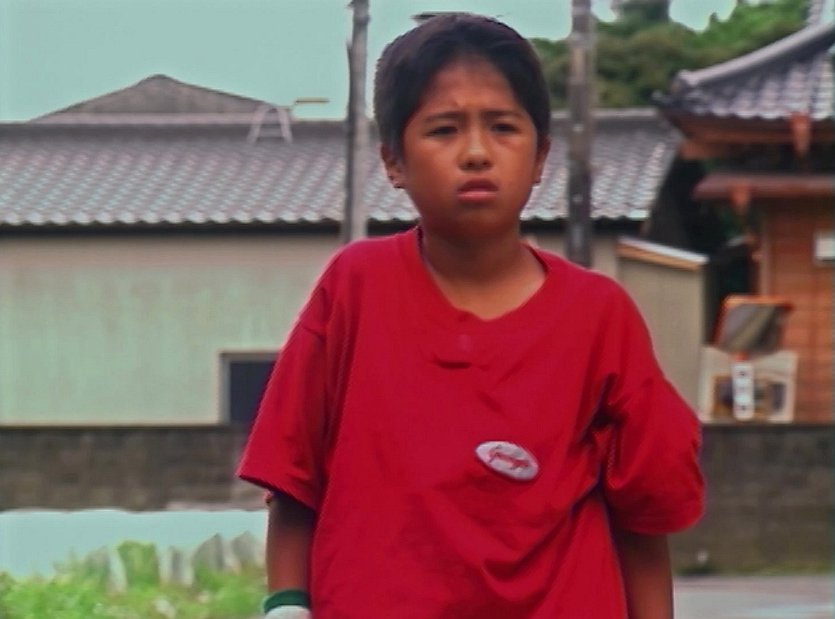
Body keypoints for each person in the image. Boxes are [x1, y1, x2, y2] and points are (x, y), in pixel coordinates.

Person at [238, 13, 704, 619]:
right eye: (444, 130)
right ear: (393, 161)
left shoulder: (599, 316)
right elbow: (293, 479)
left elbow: (642, 516)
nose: (477, 153)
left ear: (540, 156)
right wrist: (286, 606)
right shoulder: (355, 288)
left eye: (503, 127)